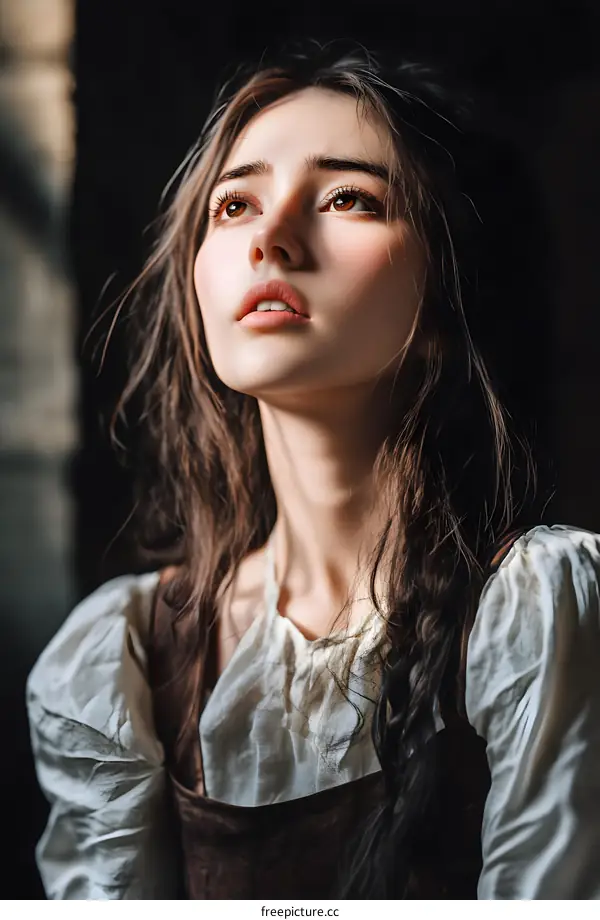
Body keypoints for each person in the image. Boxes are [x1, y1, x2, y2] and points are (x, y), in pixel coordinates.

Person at [26, 40, 600, 900]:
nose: (272, 237)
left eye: (347, 198)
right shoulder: (123, 656)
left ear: (450, 291)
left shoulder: (540, 612)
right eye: (234, 205)